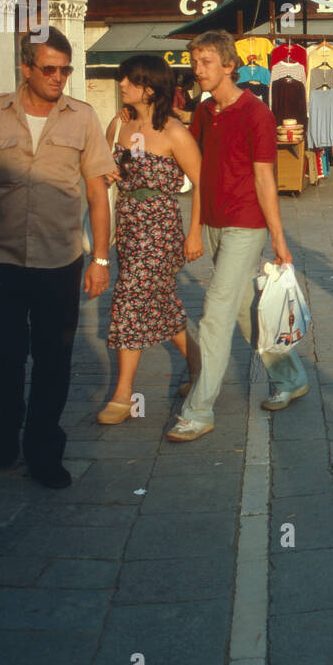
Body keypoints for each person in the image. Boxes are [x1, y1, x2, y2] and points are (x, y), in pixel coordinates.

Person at [0, 30, 115, 489]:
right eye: (49, 69)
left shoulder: (83, 118)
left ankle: (42, 449)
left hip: (60, 261)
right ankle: (7, 417)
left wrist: (100, 259)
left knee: (54, 358)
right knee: (2, 354)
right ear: (27, 68)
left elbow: (97, 191)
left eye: (65, 69)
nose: (59, 78)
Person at [168, 30, 306, 442]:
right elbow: (197, 170)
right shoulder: (205, 111)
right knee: (247, 311)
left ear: (229, 66)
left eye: (206, 62)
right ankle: (290, 377)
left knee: (215, 312)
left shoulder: (256, 113)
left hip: (245, 223)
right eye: (194, 63)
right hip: (212, 221)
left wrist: (279, 239)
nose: (198, 70)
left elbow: (266, 178)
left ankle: (198, 410)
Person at [98, 56, 206, 425]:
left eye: (129, 80)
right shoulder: (118, 126)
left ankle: (123, 394)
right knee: (158, 303)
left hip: (160, 226)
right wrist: (108, 174)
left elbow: (201, 182)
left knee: (129, 298)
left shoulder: (174, 130)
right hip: (127, 225)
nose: (122, 85)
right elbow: (97, 171)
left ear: (149, 88)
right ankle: (200, 369)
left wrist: (195, 232)